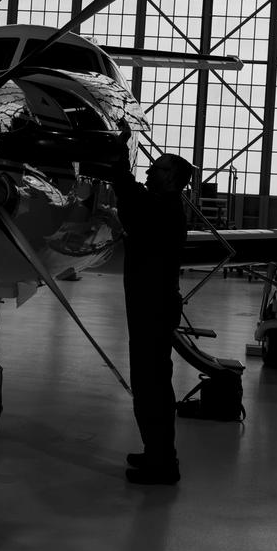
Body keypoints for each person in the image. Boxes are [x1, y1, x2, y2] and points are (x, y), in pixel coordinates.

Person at [112, 144, 195, 485]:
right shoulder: (164, 207)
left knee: (151, 385)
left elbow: (129, 195)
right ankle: (156, 452)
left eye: (157, 170)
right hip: (152, 306)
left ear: (173, 181)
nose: (148, 172)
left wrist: (118, 158)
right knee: (150, 382)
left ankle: (162, 463)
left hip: (153, 308)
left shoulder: (162, 211)